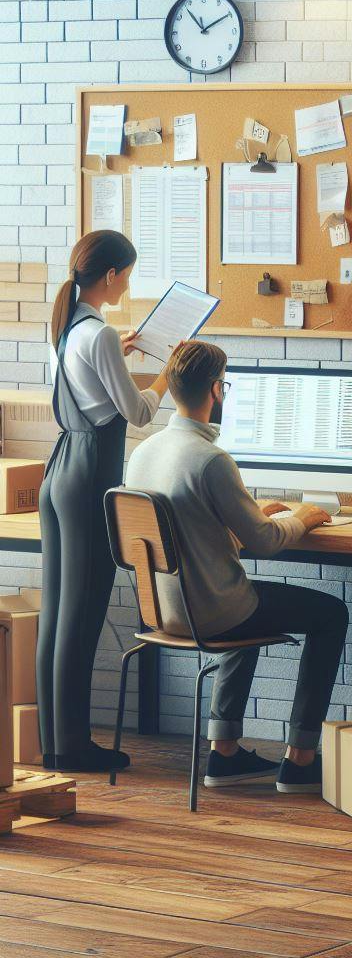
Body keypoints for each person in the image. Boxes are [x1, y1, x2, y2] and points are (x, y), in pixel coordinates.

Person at [124, 340, 348, 793]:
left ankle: (224, 754)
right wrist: (301, 517)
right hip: (213, 612)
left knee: (240, 592)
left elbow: (191, 531)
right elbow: (265, 542)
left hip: (164, 612)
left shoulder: (144, 453)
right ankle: (301, 759)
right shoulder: (210, 460)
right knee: (330, 613)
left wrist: (248, 514)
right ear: (216, 389)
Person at [39, 230, 173, 773]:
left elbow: (86, 384)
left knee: (56, 614)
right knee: (84, 611)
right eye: (128, 274)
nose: (128, 284)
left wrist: (121, 349)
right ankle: (73, 748)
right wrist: (168, 373)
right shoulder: (99, 334)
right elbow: (139, 413)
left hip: (59, 470)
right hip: (90, 474)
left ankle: (56, 742)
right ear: (113, 274)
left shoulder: (69, 328)